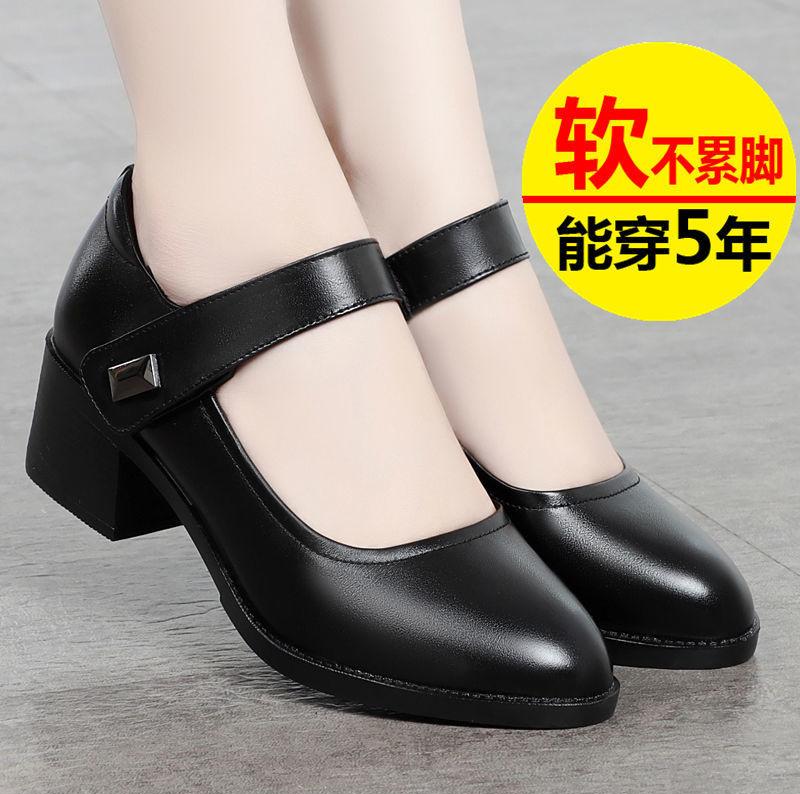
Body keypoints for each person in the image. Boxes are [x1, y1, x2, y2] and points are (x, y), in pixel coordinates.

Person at [25, 0, 756, 728]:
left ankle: (394, 184)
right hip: (222, 256)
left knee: (401, 120)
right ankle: (233, 217)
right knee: (230, 113)